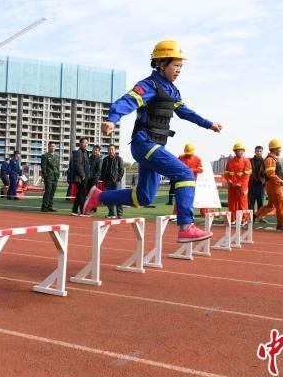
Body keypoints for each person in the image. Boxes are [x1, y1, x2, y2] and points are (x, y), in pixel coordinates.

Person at [83, 40, 222, 243]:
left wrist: (208, 124)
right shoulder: (149, 85)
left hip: (156, 145)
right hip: (144, 143)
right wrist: (113, 119)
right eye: (176, 65)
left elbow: (185, 113)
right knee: (184, 173)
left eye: (181, 66)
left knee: (144, 197)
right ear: (161, 64)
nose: (179, 70)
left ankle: (98, 197)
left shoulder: (173, 91)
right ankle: (186, 226)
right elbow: (127, 101)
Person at [256, 139, 283, 230]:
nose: (280, 150)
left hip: (272, 185)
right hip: (274, 185)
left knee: (271, 205)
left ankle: (256, 215)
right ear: (274, 149)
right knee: (281, 204)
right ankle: (281, 225)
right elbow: (271, 174)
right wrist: (281, 181)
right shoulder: (270, 159)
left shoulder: (271, 159)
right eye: (279, 148)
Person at [224, 142, 252, 225]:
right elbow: (226, 173)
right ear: (234, 152)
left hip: (242, 187)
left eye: (240, 150)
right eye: (237, 151)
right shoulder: (230, 161)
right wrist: (230, 181)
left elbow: (247, 176)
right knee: (231, 203)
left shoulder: (246, 161)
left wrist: (239, 183)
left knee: (242, 204)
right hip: (232, 186)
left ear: (243, 151)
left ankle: (243, 220)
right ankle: (232, 219)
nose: (239, 152)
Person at [178, 143, 206, 215]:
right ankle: (176, 215)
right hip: (181, 181)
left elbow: (201, 170)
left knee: (189, 199)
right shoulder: (180, 157)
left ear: (193, 151)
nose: (188, 155)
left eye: (190, 153)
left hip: (191, 182)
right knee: (179, 198)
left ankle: (187, 214)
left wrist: (191, 170)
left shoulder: (197, 159)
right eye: (187, 153)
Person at [101, 144, 125, 218]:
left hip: (116, 181)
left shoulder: (119, 159)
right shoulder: (105, 160)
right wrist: (103, 178)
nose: (111, 151)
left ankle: (120, 214)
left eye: (112, 149)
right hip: (107, 182)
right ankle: (111, 213)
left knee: (118, 197)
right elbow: (102, 170)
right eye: (109, 149)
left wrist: (118, 179)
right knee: (108, 197)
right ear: (107, 150)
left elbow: (121, 170)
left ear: (115, 150)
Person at [71, 138, 90, 216]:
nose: (85, 144)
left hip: (85, 176)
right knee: (82, 193)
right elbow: (77, 165)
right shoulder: (78, 152)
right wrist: (83, 176)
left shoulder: (85, 152)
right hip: (81, 177)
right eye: (84, 143)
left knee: (80, 194)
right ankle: (82, 211)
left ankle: (74, 210)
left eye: (87, 143)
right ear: (80, 144)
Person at [40, 141, 60, 212]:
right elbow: (43, 167)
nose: (53, 147)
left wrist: (58, 175)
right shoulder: (45, 156)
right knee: (48, 191)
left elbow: (57, 166)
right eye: (51, 146)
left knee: (52, 191)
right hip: (48, 176)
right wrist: (44, 176)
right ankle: (44, 206)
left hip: (55, 176)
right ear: (48, 147)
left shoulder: (57, 156)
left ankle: (50, 206)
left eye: (54, 146)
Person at [248, 145, 266, 215]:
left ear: (262, 152)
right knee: (250, 203)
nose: (258, 152)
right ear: (255, 152)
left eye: (260, 151)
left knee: (260, 202)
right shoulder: (250, 161)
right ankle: (251, 218)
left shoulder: (265, 161)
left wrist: (265, 182)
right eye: (257, 151)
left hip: (261, 185)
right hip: (252, 184)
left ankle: (260, 217)